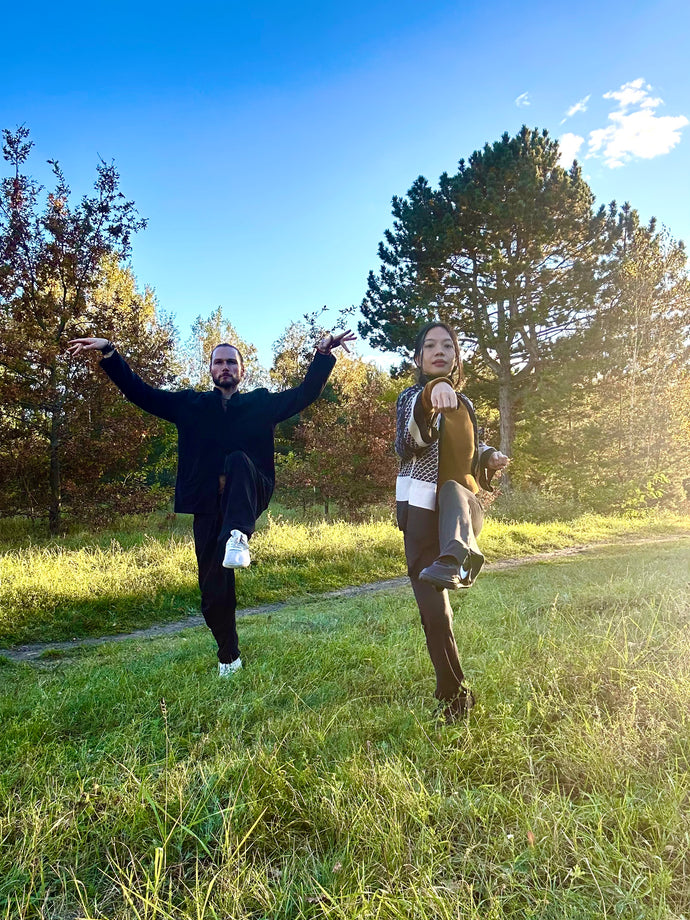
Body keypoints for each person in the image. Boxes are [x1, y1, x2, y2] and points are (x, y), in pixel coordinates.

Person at [68, 330, 355, 676]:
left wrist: (322, 356)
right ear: (210, 369)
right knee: (212, 591)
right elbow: (140, 392)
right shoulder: (190, 405)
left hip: (250, 491)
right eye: (219, 362)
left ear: (242, 370)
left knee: (237, 460)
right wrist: (110, 353)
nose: (225, 367)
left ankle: (238, 535)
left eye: (231, 362)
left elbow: (305, 393)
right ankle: (229, 657)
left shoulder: (261, 404)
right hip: (207, 503)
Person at [395, 322, 509, 721]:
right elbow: (408, 442)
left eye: (447, 345)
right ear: (418, 358)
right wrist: (431, 395)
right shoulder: (411, 398)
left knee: (452, 489)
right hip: (420, 517)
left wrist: (489, 456)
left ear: (456, 357)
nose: (439, 351)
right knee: (436, 615)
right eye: (430, 345)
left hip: (462, 509)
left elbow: (469, 452)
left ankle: (458, 555)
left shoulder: (466, 405)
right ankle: (454, 695)